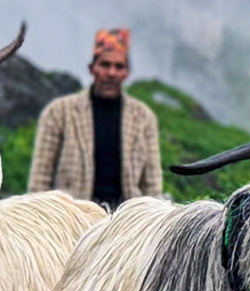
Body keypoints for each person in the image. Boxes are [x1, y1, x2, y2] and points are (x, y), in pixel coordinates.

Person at [29, 27, 162, 207]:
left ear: (126, 73)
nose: (111, 73)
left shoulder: (143, 118)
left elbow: (152, 185)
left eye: (119, 67)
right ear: (92, 69)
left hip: (126, 217)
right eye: (105, 65)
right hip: (74, 215)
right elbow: (40, 179)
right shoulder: (59, 113)